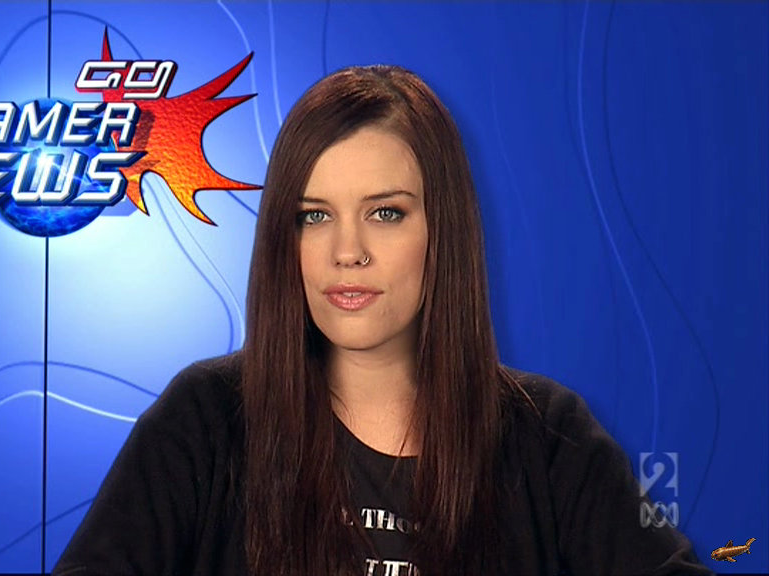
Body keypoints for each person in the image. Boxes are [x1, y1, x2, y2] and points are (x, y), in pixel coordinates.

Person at [52, 66, 713, 576]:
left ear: (442, 230)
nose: (348, 251)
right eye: (314, 216)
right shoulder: (203, 421)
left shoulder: (550, 439)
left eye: (385, 212)